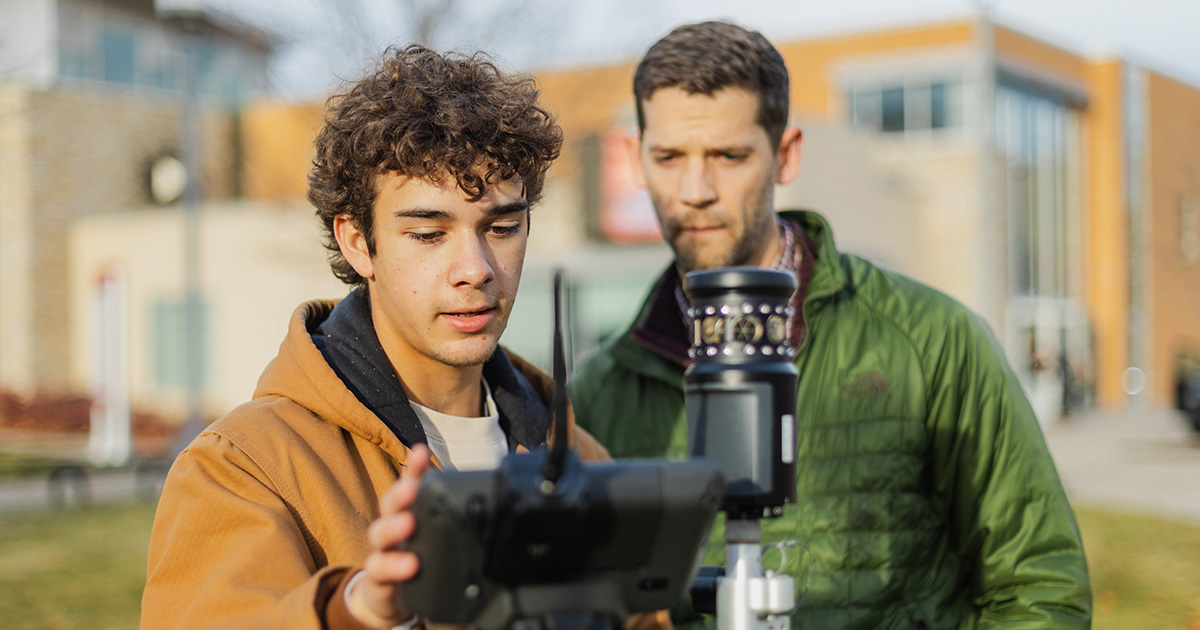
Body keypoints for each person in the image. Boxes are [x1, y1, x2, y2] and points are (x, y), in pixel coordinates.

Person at [568, 21, 1092, 629]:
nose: (695, 191)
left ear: (785, 154)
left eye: (728, 156)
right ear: (636, 158)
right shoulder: (601, 392)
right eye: (669, 158)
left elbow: (1039, 584)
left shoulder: (932, 340)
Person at [141, 45, 617, 630]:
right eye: (427, 234)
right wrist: (358, 609)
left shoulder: (576, 455)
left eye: (501, 227)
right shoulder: (244, 467)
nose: (475, 268)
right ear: (358, 243)